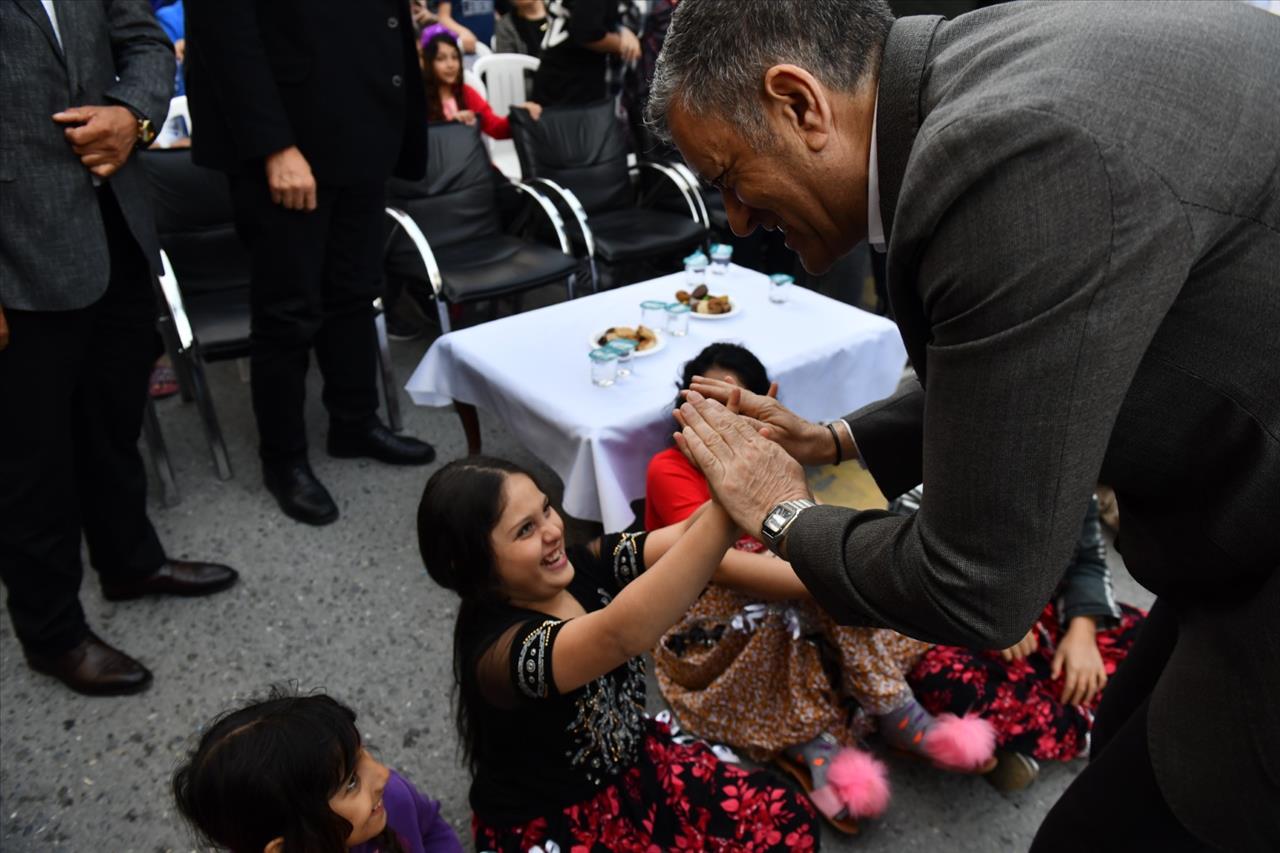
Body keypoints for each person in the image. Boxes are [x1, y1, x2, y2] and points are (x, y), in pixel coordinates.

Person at [645, 1, 1280, 850]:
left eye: (728, 176)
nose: (736, 220)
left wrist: (784, 514)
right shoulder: (974, 71)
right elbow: (1014, 360)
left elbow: (979, 585)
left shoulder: (1006, 158)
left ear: (800, 104)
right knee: (1128, 723)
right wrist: (835, 442)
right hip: (1231, 525)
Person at [648, 344, 996, 829]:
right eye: (709, 400)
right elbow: (723, 568)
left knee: (829, 576)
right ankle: (859, 721)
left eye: (737, 400)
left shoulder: (771, 454)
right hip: (702, 620)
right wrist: (828, 571)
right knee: (825, 585)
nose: (724, 415)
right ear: (686, 405)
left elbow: (798, 529)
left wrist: (827, 567)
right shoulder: (668, 468)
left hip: (777, 588)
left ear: (760, 400)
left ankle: (859, 719)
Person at [0, 0, 239, 697]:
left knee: (113, 420)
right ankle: (51, 633)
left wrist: (130, 116)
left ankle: (130, 561)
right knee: (29, 464)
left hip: (115, 228)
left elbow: (145, 42)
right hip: (16, 256)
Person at [416, 457, 818, 851]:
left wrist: (739, 472)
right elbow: (621, 634)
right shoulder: (504, 655)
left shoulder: (580, 563)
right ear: (472, 565)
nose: (553, 531)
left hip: (633, 766)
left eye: (545, 509)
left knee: (788, 822)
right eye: (525, 530)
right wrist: (733, 507)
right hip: (567, 819)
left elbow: (683, 537)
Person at [185, 0, 437, 527]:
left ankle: (353, 420)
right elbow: (225, 27)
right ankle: (283, 460)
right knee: (288, 310)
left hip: (364, 128)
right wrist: (273, 145)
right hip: (291, 139)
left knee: (355, 290)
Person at [902, 493, 1146, 789]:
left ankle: (1018, 738)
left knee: (1144, 635)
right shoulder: (938, 479)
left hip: (1046, 611)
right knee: (942, 678)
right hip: (961, 618)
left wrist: (1083, 630)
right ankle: (1076, 730)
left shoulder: (1073, 472)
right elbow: (911, 562)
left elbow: (1088, 560)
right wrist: (989, 614)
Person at [173, 689, 464, 852]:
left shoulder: (393, 799)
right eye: (351, 782)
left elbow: (432, 829)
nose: (383, 774)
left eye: (365, 755)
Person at [421, 33, 542, 139]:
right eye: (441, 59)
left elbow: (496, 128)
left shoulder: (466, 93)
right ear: (428, 63)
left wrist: (521, 114)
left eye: (455, 57)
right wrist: (452, 126)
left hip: (472, 162)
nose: (450, 65)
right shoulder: (419, 98)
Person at [532, 0, 640, 106]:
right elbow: (587, 32)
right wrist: (621, 44)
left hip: (560, 74)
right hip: (570, 83)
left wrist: (621, 30)